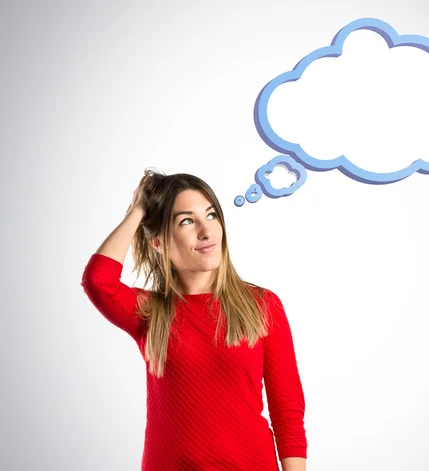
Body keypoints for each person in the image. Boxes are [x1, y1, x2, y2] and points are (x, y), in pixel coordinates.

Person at [80, 168, 307, 471]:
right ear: (158, 242)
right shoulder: (150, 313)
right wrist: (137, 212)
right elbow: (98, 281)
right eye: (187, 221)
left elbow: (287, 409)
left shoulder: (262, 305)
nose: (206, 231)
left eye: (211, 215)